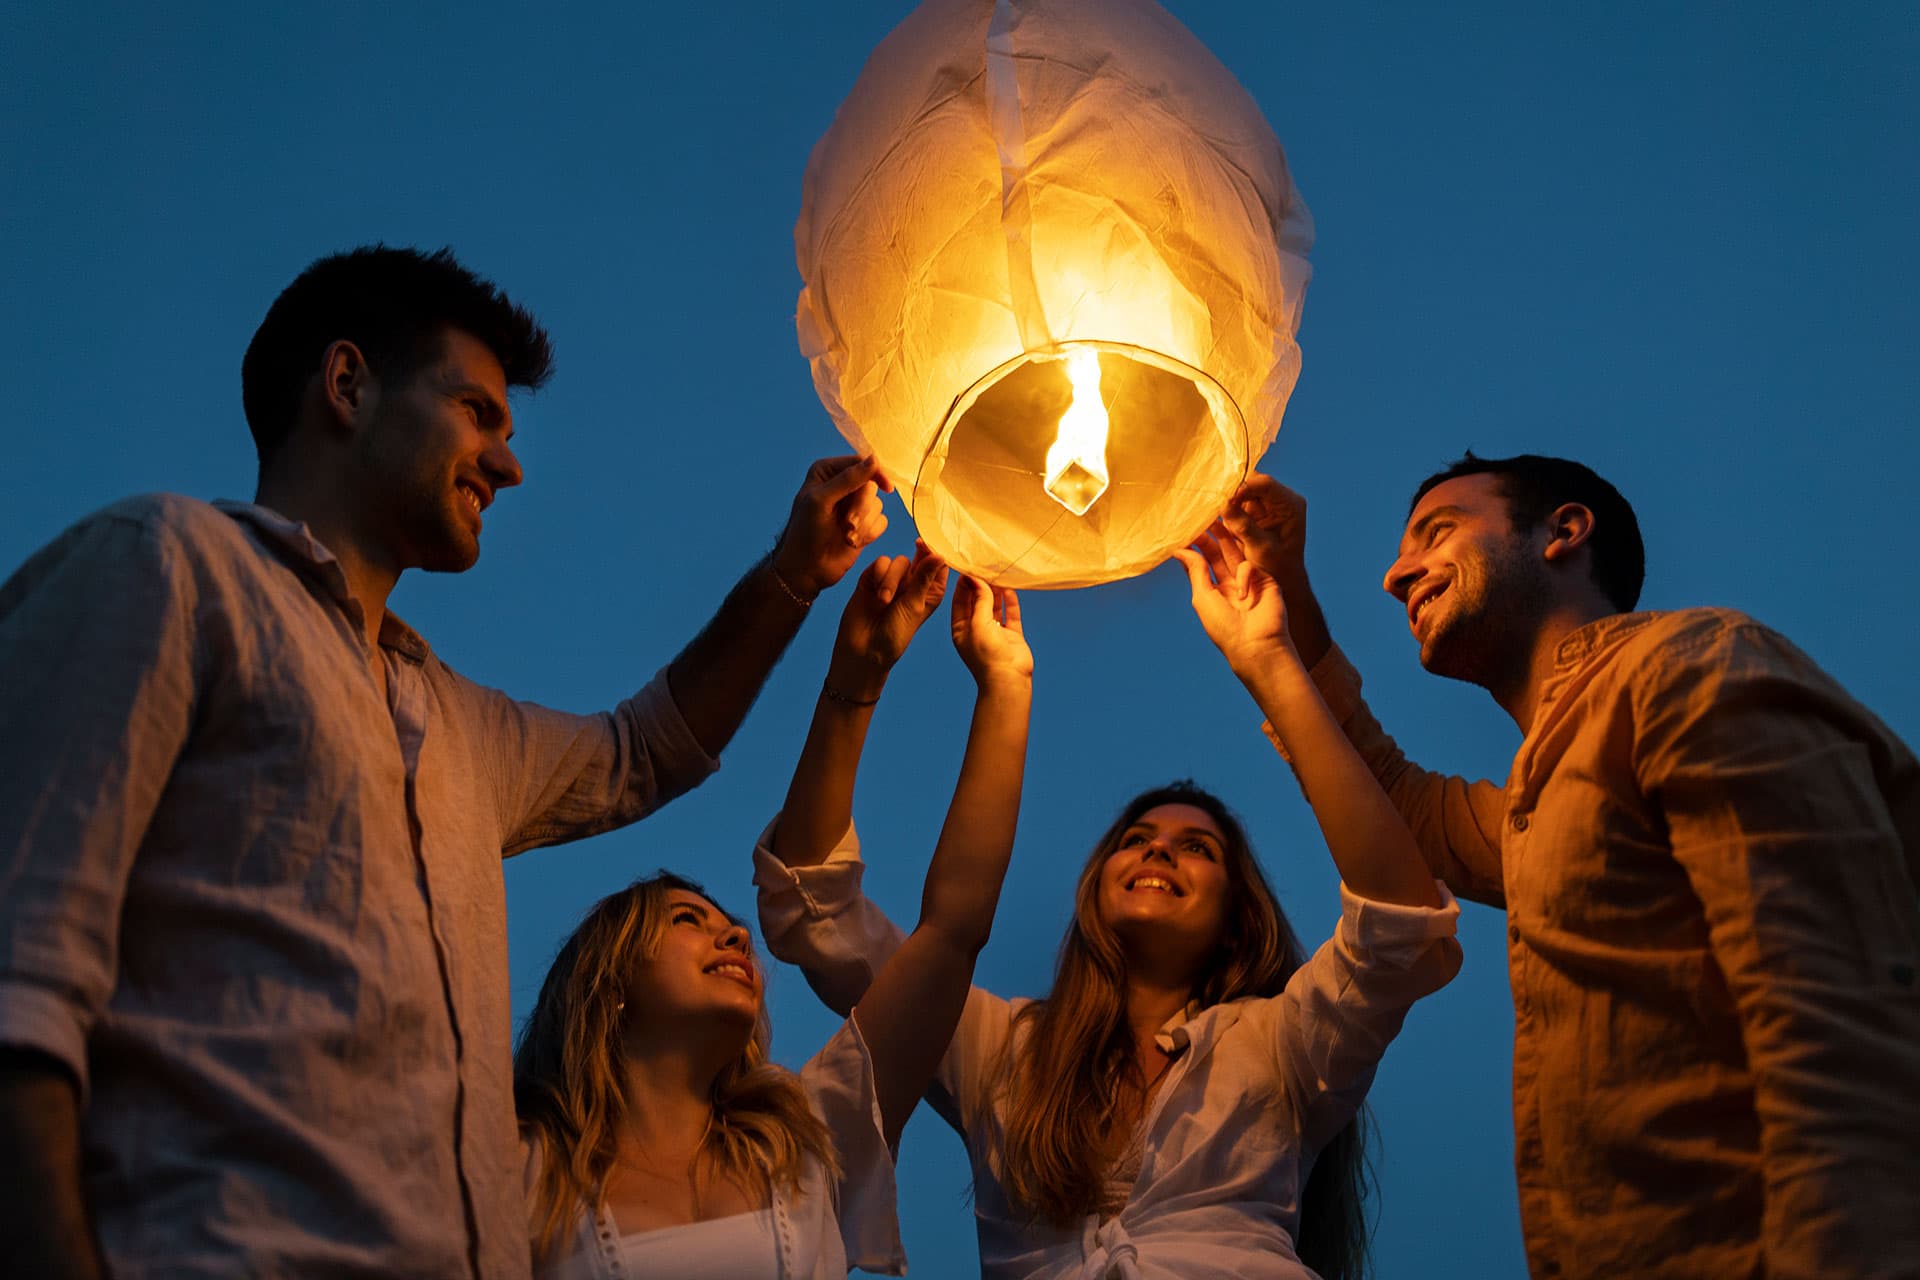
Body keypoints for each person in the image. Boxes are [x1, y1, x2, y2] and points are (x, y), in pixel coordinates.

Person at [0, 245, 890, 1280]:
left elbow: (647, 750)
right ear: (348, 385)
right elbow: (21, 973)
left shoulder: (457, 724)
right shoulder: (168, 569)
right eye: (477, 412)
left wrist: (795, 573)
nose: (509, 464)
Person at [1229, 454, 1920, 1279]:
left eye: (1437, 532)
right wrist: (1280, 617)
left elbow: (1838, 1008)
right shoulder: (1542, 797)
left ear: (1564, 532)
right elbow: (1396, 812)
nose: (1394, 573)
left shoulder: (1689, 666)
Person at [754, 528, 1462, 1279]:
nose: (1159, 850)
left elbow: (1399, 921)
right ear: (1094, 886)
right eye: (1137, 837)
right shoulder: (999, 1048)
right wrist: (877, 683)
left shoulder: (1284, 1043)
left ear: (1239, 919)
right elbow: (815, 907)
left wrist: (1270, 662)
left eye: (1198, 848)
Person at [515, 542, 1034, 1277]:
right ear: (608, 983)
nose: (731, 931)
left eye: (727, 922)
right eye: (685, 920)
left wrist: (1001, 684)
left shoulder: (808, 1138)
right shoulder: (516, 1169)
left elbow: (952, 932)